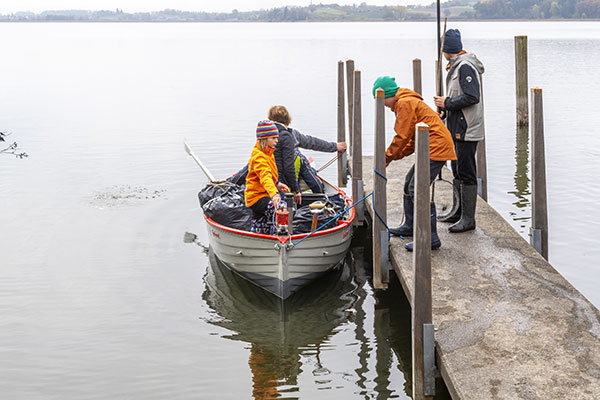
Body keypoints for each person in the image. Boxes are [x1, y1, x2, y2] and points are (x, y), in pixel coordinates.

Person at [373, 76, 456, 251]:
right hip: (430, 147)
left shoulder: (404, 103)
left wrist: (385, 158)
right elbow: (410, 140)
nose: (384, 106)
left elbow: (402, 136)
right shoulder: (405, 102)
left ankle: (430, 237)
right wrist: (394, 156)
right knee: (409, 182)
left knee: (417, 188)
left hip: (436, 147)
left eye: (383, 101)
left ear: (388, 95)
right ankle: (410, 226)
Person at [433, 28, 485, 233]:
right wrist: (446, 110)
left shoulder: (464, 67)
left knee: (466, 171)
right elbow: (459, 97)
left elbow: (473, 97)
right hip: (455, 128)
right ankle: (458, 211)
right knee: (456, 169)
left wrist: (447, 102)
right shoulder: (455, 67)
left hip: (467, 129)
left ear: (446, 49)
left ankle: (468, 219)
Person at [267, 105, 346, 204]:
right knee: (303, 163)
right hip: (294, 172)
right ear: (287, 119)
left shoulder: (267, 138)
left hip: (280, 176)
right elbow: (312, 142)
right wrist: (334, 146)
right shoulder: (291, 134)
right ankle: (322, 201)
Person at [245, 120, 289, 234]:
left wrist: (278, 184)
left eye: (277, 137)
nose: (276, 141)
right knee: (280, 207)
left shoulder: (268, 152)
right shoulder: (258, 156)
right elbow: (265, 177)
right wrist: (274, 194)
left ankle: (259, 237)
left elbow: (270, 175)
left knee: (260, 223)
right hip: (256, 197)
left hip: (264, 194)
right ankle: (278, 235)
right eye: (273, 138)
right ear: (264, 139)